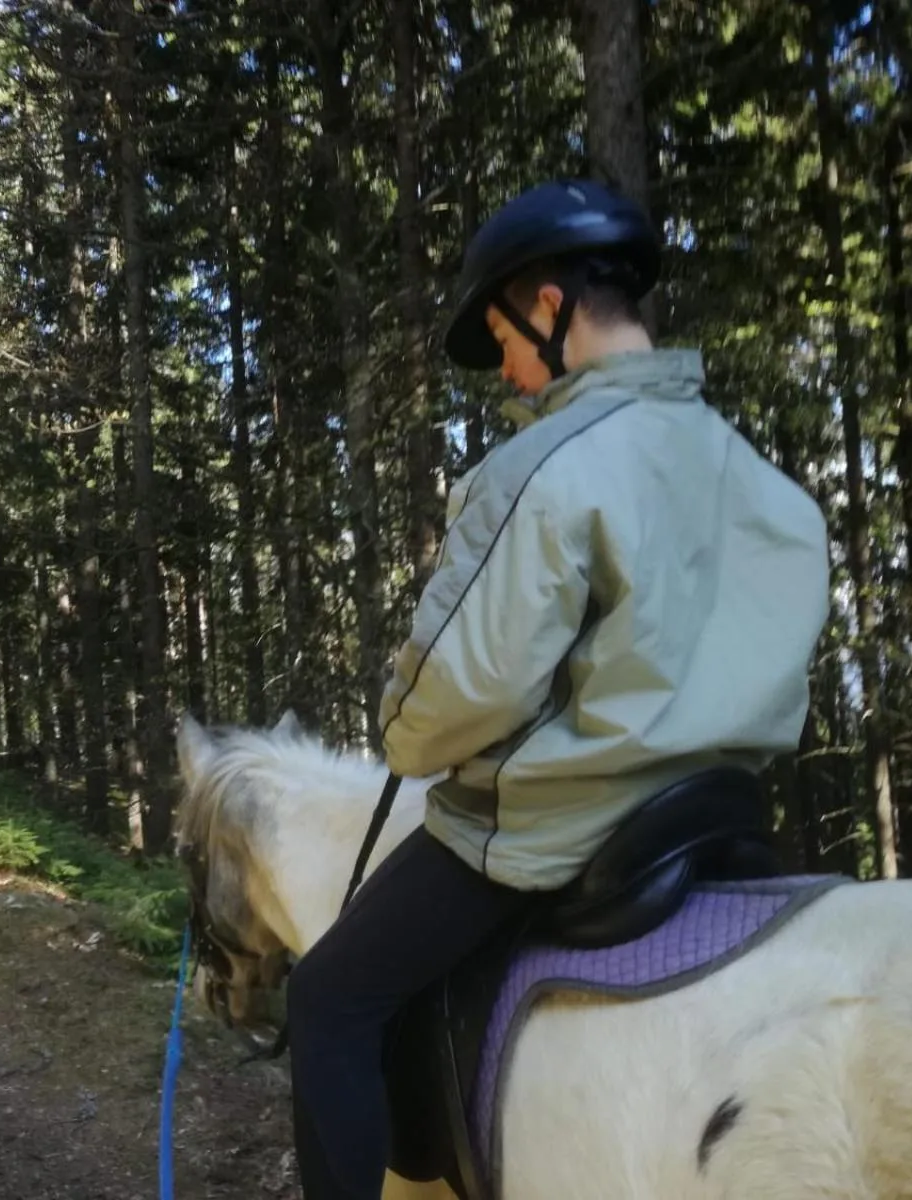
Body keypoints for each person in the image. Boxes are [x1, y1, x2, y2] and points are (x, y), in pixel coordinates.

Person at [284, 179, 831, 1199]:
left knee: (327, 1000)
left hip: (553, 831)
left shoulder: (545, 468)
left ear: (546, 305)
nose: (504, 372)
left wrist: (403, 728)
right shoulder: (770, 489)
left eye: (498, 338)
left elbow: (446, 705)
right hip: (721, 822)